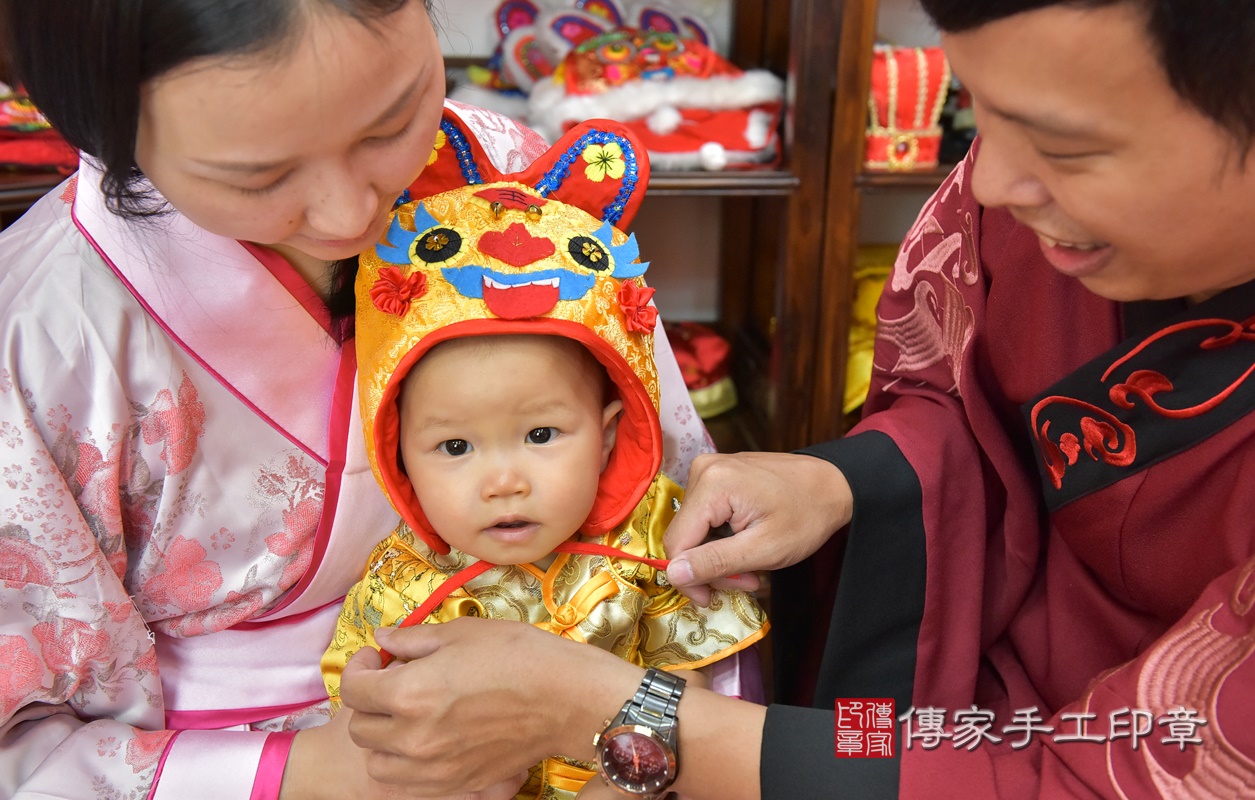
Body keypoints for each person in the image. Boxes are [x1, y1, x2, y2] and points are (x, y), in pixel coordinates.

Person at [332, 0, 1255, 797]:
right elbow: (959, 402)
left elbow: (1111, 780)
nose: (993, 183)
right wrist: (844, 482)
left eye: (1066, 147)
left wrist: (617, 716)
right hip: (951, 718)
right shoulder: (1008, 201)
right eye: (978, 120)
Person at [0, 2, 716, 798]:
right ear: (97, 125)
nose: (350, 214)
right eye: (259, 177)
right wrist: (304, 772)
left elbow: (657, 507)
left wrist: (631, 733)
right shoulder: (43, 329)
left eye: (391, 123)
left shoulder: (510, 178)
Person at [320, 127, 768, 797]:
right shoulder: (400, 581)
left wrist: (621, 783)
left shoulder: (654, 541)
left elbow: (689, 683)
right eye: (454, 447)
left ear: (610, 435)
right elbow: (369, 710)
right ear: (398, 457)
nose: (503, 481)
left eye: (540, 435)